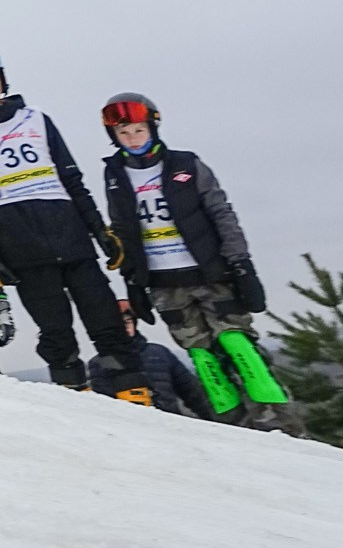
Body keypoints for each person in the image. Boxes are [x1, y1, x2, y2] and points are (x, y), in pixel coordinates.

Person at [0, 48, 148, 401]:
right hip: (21, 245)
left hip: (70, 235)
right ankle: (74, 397)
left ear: (2, 79)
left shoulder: (36, 119)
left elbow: (72, 179)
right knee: (56, 331)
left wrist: (100, 231)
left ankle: (134, 395)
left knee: (106, 323)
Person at [96, 93, 301, 433]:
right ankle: (236, 428)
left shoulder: (186, 165)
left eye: (138, 130)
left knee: (239, 347)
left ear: (153, 128)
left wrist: (241, 264)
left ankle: (282, 425)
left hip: (210, 273)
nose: (132, 139)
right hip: (164, 282)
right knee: (203, 358)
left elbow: (221, 213)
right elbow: (122, 229)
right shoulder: (115, 177)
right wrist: (133, 279)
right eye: (124, 134)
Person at [111, 299, 215, 417]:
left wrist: (214, 421)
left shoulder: (159, 353)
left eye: (127, 322)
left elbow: (193, 393)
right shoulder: (101, 362)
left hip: (171, 423)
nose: (124, 329)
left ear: (134, 323)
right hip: (129, 425)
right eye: (118, 325)